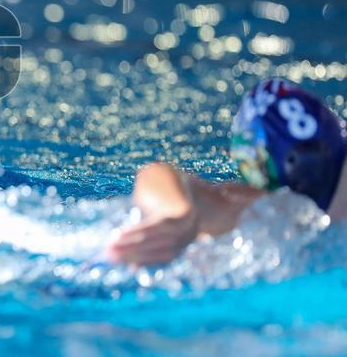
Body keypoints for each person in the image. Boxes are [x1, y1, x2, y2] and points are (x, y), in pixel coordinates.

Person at [108, 78, 347, 266]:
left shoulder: (281, 212)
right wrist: (177, 213)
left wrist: (179, 213)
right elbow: (158, 176)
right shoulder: (280, 211)